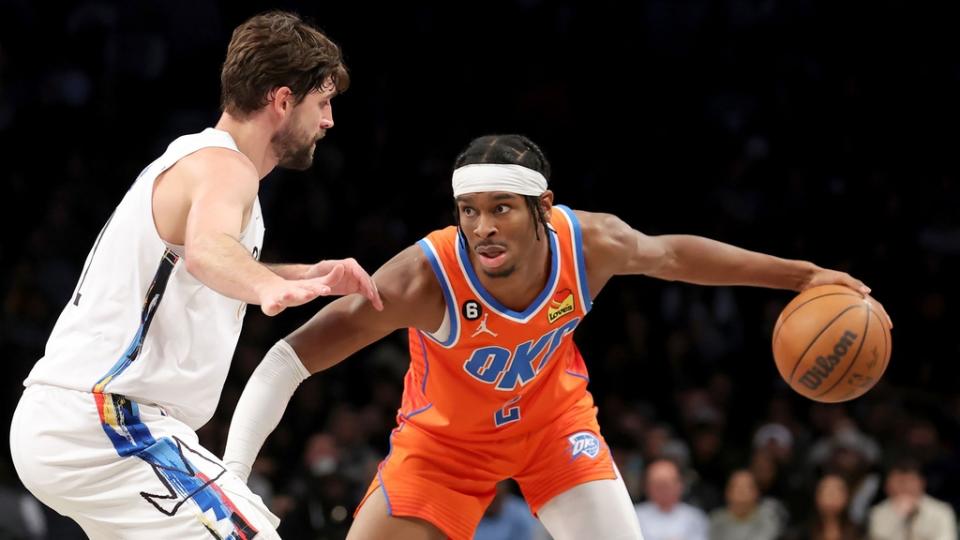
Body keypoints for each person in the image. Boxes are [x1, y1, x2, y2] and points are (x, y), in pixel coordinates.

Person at [223, 134, 889, 540]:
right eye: (469, 211)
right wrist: (234, 478)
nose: (482, 226)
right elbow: (288, 359)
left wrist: (802, 275)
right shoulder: (423, 278)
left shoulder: (589, 243)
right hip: (444, 448)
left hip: (552, 428)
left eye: (501, 209)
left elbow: (675, 256)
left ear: (543, 209)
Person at [9, 10, 381, 539]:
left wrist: (305, 273)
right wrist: (269, 286)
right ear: (282, 101)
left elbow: (198, 259)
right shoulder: (223, 166)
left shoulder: (202, 165)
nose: (328, 121)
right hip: (105, 422)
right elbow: (209, 252)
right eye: (322, 103)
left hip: (81, 420)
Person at [868, 458, 957, 540]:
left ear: (921, 483)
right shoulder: (878, 513)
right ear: (887, 486)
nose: (905, 486)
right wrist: (899, 517)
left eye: (910, 481)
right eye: (900, 481)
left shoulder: (941, 511)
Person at [634, 458, 709, 540]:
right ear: (646, 487)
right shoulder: (634, 517)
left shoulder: (695, 517)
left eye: (666, 484)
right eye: (657, 485)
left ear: (679, 485)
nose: (662, 490)